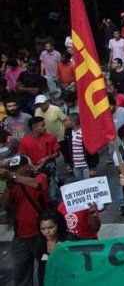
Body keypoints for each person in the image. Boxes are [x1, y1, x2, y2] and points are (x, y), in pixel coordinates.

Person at [0, 154, 49, 286]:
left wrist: (12, 176)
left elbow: (36, 184)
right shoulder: (12, 184)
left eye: (17, 168)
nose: (14, 171)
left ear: (26, 167)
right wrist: (5, 184)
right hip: (21, 235)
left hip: (41, 233)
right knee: (21, 272)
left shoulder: (41, 176)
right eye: (12, 169)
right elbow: (4, 205)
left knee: (46, 270)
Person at [18, 117, 60, 203]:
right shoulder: (24, 141)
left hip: (49, 171)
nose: (45, 127)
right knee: (39, 194)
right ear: (34, 127)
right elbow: (23, 156)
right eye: (43, 125)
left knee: (53, 195)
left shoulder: (51, 137)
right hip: (33, 173)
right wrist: (32, 166)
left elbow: (57, 153)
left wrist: (47, 158)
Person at [35, 209, 79, 286]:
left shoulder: (70, 240)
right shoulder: (40, 242)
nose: (47, 232)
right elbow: (41, 269)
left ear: (59, 225)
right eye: (43, 229)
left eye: (51, 227)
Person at [61, 113, 99, 181]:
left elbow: (93, 150)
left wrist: (93, 167)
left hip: (86, 165)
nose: (65, 122)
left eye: (67, 120)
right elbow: (66, 150)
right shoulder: (68, 133)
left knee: (89, 183)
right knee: (79, 183)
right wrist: (67, 164)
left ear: (74, 122)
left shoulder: (85, 133)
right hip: (75, 166)